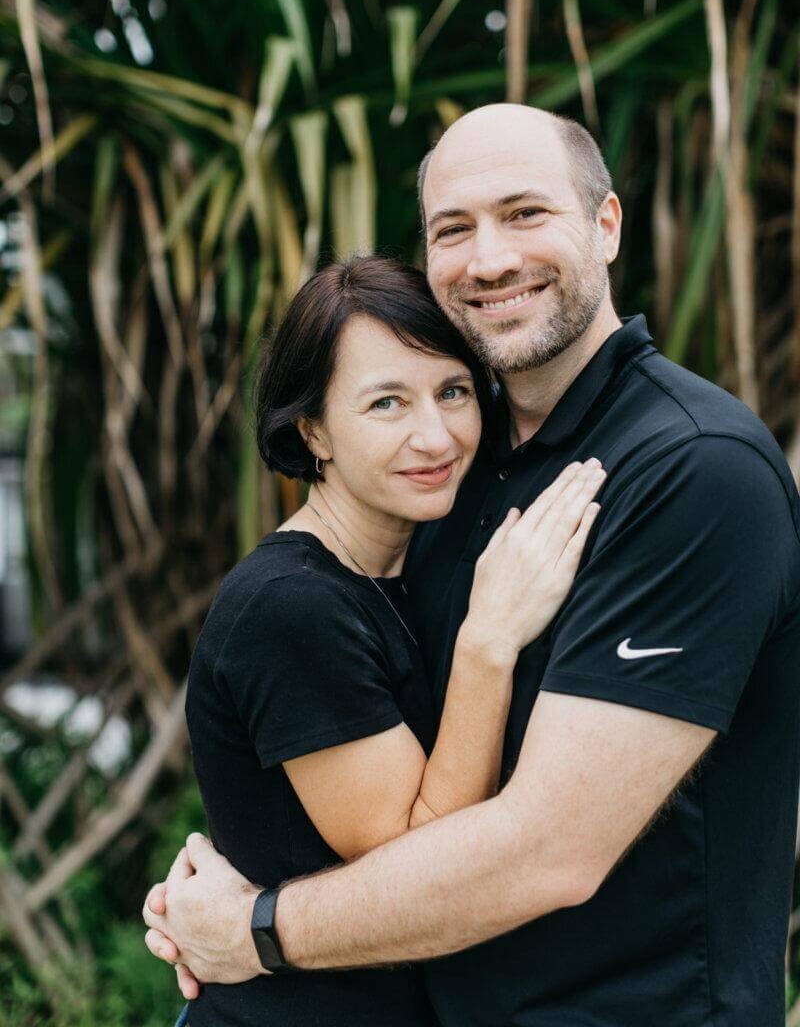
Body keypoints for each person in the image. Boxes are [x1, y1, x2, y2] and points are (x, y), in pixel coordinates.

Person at [144, 105, 800, 1027]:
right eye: (453, 230)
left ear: (606, 226)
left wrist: (255, 927)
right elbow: (355, 725)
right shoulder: (459, 466)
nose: (488, 259)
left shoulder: (695, 470)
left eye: (526, 213)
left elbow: (549, 853)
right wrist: (245, 855)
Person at [174, 253, 604, 1027]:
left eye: (453, 392)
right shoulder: (290, 608)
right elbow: (412, 859)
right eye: (386, 405)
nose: (434, 435)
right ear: (314, 431)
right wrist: (489, 643)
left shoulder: (416, 564)